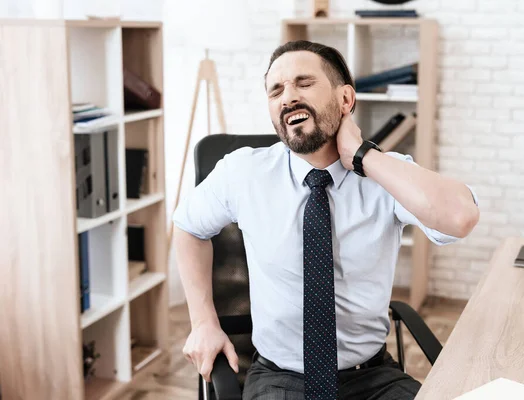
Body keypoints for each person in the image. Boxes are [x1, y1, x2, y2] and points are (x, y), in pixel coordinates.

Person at [172, 40, 480, 400]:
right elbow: (189, 227)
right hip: (281, 380)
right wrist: (203, 322)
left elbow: (460, 217)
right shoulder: (244, 172)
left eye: (303, 83)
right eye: (276, 91)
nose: (287, 97)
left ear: (346, 100)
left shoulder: (386, 176)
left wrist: (364, 156)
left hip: (373, 378)